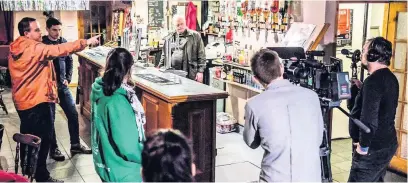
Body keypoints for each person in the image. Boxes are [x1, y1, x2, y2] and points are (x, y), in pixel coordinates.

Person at [8, 17, 99, 182]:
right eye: (36, 29)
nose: (40, 32)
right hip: (37, 101)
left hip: (23, 101)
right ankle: (42, 176)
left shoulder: (16, 47)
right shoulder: (34, 47)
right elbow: (58, 50)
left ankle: (29, 171)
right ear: (26, 33)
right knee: (43, 139)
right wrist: (85, 41)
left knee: (29, 138)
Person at [243, 49, 324, 182]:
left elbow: (251, 143)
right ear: (281, 68)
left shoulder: (254, 105)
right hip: (310, 178)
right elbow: (318, 139)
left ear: (256, 79)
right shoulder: (312, 96)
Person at [90, 47, 146, 182]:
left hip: (107, 164)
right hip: (125, 172)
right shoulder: (117, 101)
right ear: (129, 69)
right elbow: (128, 146)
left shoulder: (100, 89)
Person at [348, 37, 398, 182]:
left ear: (373, 54)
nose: (362, 54)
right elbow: (382, 106)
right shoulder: (389, 77)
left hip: (372, 149)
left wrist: (363, 147)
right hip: (387, 143)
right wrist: (362, 88)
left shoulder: (373, 82)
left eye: (364, 50)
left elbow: (369, 121)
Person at [42, 17, 92, 162]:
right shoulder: (43, 44)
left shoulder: (63, 41)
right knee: (50, 120)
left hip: (63, 86)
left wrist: (68, 77)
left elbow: (70, 60)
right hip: (48, 88)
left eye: (59, 30)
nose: (57, 33)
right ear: (47, 29)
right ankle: (54, 148)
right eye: (54, 30)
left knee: (72, 114)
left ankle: (75, 145)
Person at [157, 15, 206, 82]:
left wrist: (200, 72)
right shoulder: (169, 37)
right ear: (174, 26)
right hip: (173, 73)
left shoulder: (195, 36)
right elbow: (164, 55)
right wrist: (159, 68)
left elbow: (201, 55)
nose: (180, 26)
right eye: (177, 25)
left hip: (190, 73)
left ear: (185, 23)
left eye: (182, 24)